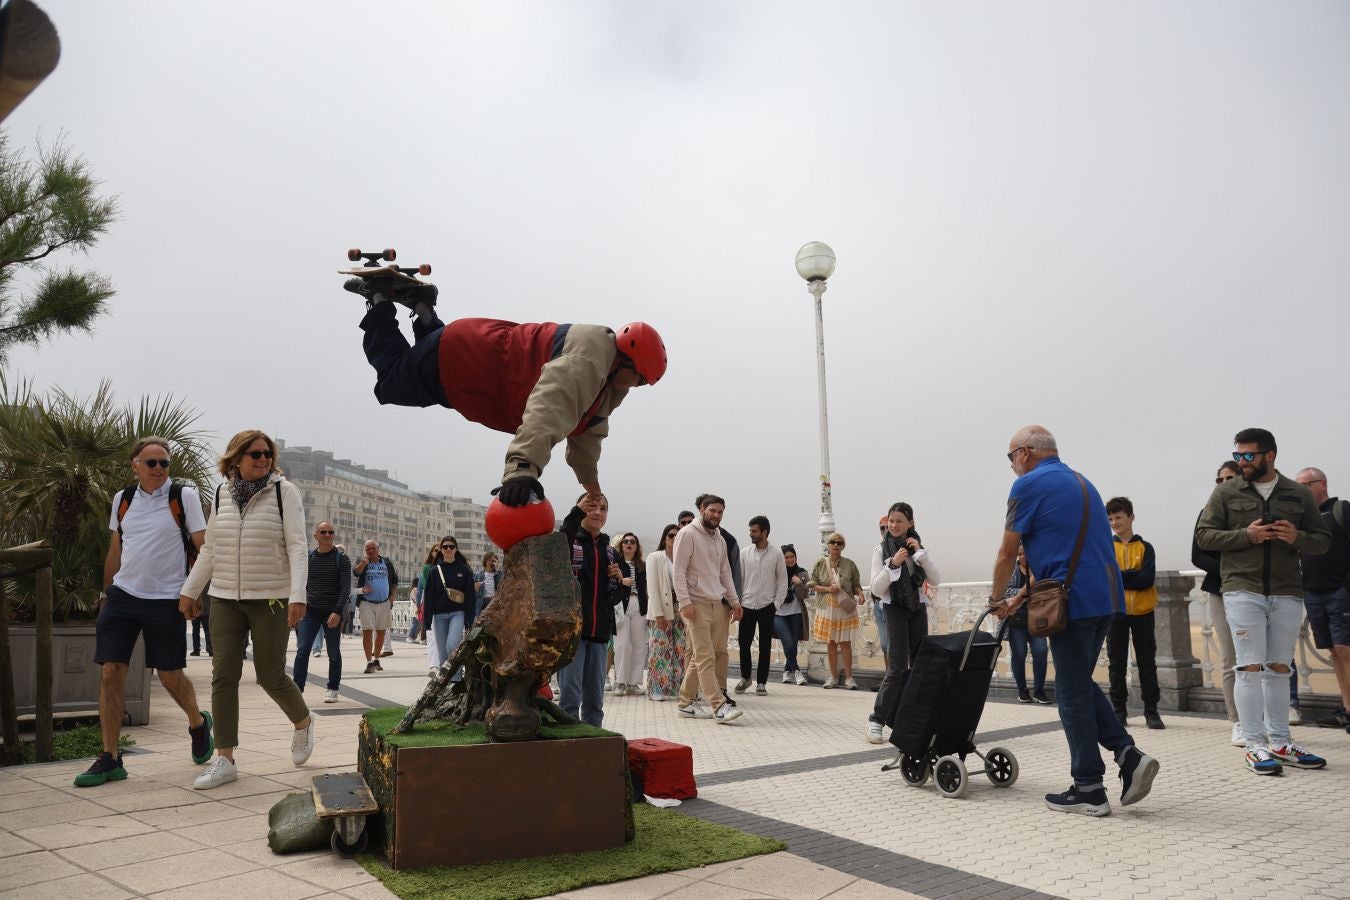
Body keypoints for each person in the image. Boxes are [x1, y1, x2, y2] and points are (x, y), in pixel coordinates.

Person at [349, 278, 665, 507]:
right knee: (392, 382)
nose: (636, 388)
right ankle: (378, 301)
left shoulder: (604, 380)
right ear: (629, 361)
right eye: (639, 381)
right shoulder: (587, 364)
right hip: (466, 365)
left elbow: (588, 436)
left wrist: (591, 487)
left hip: (469, 360)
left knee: (422, 368)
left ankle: (423, 309)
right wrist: (522, 469)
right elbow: (549, 408)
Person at [989, 425, 1158, 816]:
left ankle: (1089, 787)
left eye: (1010, 456)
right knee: (1078, 683)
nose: (1012, 465)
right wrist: (1019, 596)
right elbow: (1064, 548)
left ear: (1025, 453)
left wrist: (996, 599)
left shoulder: (1027, 486)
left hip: (1072, 602)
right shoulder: (1083, 482)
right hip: (1106, 597)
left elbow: (1006, 552)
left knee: (1068, 694)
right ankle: (1127, 755)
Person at [179, 430, 313, 790]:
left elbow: (299, 547)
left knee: (270, 675)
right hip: (224, 596)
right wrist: (190, 591)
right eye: (255, 454)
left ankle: (303, 722)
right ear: (236, 458)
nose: (263, 460)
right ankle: (225, 759)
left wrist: (297, 596)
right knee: (224, 675)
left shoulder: (285, 492)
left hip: (270, 596)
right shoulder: (222, 493)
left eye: (267, 453)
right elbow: (210, 548)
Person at [76, 437, 212, 788]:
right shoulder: (123, 499)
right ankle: (110, 757)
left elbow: (203, 546)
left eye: (164, 463)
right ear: (134, 464)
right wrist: (106, 594)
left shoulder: (183, 497)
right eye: (150, 463)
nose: (158, 469)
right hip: (123, 595)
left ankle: (198, 723)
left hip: (168, 598)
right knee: (110, 672)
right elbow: (115, 550)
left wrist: (192, 592)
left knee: (169, 676)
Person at [1196, 428, 1331, 774]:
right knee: (1249, 666)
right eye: (1238, 455)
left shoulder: (1298, 494)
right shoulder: (1226, 493)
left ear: (1269, 456)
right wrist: (1247, 535)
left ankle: (1281, 742)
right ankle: (1255, 744)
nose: (1241, 461)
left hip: (1286, 590)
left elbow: (1322, 540)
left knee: (1279, 667)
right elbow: (1204, 537)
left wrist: (1295, 536)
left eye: (1248, 456)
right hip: (1242, 589)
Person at [866, 503, 942, 742]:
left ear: (911, 523)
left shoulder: (916, 547)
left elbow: (935, 579)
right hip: (894, 608)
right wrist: (893, 565)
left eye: (899, 521)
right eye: (891, 521)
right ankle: (876, 720)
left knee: (920, 664)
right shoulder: (881, 550)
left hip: (917, 607)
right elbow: (877, 589)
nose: (894, 525)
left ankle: (917, 718)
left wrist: (920, 554)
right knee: (898, 667)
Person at [673, 494, 745, 723]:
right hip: (695, 605)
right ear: (702, 509)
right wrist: (685, 603)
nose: (716, 515)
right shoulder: (687, 534)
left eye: (720, 512)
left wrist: (734, 601)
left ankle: (685, 703)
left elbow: (725, 573)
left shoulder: (720, 540)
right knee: (705, 657)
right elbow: (678, 571)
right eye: (712, 510)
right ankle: (719, 705)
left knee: (700, 656)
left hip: (717, 604)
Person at [558, 494, 621, 726]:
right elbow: (558, 545)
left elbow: (611, 598)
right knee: (570, 699)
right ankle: (567, 748)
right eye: (591, 507)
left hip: (600, 634)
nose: (597, 512)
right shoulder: (570, 542)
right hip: (573, 633)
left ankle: (593, 744)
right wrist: (575, 512)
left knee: (595, 701)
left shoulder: (609, 551)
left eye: (603, 508)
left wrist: (615, 581)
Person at [1294, 467, 1350, 730]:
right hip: (1313, 593)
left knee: (1345, 650)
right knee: (1334, 652)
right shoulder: (1303, 520)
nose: (1302, 489)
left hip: (1341, 591)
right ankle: (1347, 708)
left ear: (1322, 484)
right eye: (1298, 485)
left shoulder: (1342, 511)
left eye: (1307, 484)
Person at [1193, 461, 1243, 745]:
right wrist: (1229, 569)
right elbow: (1197, 555)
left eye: (1230, 478)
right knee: (1230, 660)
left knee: (1262, 660)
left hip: (1256, 592)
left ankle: (1268, 719)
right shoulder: (1207, 513)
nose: (1223, 483)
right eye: (1219, 479)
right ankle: (1236, 720)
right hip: (1221, 591)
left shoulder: (1255, 511)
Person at [1105, 497, 1164, 730]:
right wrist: (1130, 576)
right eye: (1110, 519)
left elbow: (1146, 579)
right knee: (1116, 663)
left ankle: (1152, 711)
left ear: (1131, 517)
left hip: (1143, 611)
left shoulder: (1146, 547)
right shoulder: (1107, 547)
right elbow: (1108, 580)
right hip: (1116, 612)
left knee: (1147, 662)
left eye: (1118, 517)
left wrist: (1122, 576)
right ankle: (1119, 712)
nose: (1114, 522)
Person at [292, 521, 351, 703]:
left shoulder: (342, 559)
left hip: (331, 612)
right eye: (323, 532)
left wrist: (337, 611)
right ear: (315, 535)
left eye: (331, 532)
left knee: (333, 652)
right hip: (310, 611)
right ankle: (297, 689)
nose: (327, 535)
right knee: (302, 650)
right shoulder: (309, 558)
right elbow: (302, 584)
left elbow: (345, 588)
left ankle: (333, 688)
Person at [736, 516, 787, 696]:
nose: (751, 534)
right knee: (743, 643)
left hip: (767, 606)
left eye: (754, 531)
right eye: (750, 531)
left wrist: (776, 605)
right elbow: (739, 580)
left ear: (764, 532)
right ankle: (745, 678)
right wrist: (738, 602)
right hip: (747, 605)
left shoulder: (776, 554)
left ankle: (762, 683)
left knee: (765, 646)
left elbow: (782, 581)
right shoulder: (744, 553)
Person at [810, 533, 864, 690]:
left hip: (844, 607)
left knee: (846, 643)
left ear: (843, 546)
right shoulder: (820, 564)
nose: (835, 545)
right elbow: (812, 584)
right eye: (832, 542)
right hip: (827, 608)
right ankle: (832, 677)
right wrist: (828, 589)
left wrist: (860, 594)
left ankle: (849, 678)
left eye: (839, 543)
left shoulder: (849, 564)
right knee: (831, 643)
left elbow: (856, 584)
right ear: (828, 545)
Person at [1002, 544, 1050, 705]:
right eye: (1020, 554)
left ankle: (1039, 691)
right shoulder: (1011, 571)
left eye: (1025, 553)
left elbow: (1048, 590)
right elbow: (1006, 592)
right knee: (1019, 654)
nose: (1022, 557)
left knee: (1041, 652)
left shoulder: (1041, 571)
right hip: (1017, 621)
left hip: (1038, 619)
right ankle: (1022, 690)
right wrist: (1026, 589)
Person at [645, 525, 686, 701]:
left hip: (681, 607)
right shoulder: (655, 557)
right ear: (664, 538)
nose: (674, 539)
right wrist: (658, 614)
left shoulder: (683, 559)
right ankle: (657, 689)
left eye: (678, 536)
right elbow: (652, 587)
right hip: (661, 608)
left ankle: (677, 688)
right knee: (660, 649)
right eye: (671, 535)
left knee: (680, 650)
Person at [422, 536, 475, 669]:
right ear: (441, 549)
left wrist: (469, 619)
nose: (448, 549)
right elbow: (429, 596)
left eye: (451, 546)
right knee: (442, 652)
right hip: (439, 615)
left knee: (452, 645)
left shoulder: (464, 570)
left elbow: (470, 595)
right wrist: (427, 620)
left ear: (456, 549)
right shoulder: (434, 570)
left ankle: (455, 679)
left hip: (457, 613)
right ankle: (446, 683)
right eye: (445, 547)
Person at [353, 540, 399, 674]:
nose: (371, 551)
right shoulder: (362, 562)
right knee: (367, 632)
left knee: (381, 632)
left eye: (373, 548)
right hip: (366, 602)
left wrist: (392, 597)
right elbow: (355, 572)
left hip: (384, 602)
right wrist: (363, 563)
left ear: (378, 549)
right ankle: (369, 662)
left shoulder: (387, 563)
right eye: (368, 549)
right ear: (365, 551)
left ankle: (376, 659)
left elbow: (394, 581)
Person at [612, 532, 648, 696]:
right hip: (621, 605)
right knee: (622, 645)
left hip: (639, 606)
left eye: (632, 541)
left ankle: (633, 683)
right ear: (621, 545)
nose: (628, 544)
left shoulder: (642, 565)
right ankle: (620, 681)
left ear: (636, 546)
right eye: (625, 541)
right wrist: (621, 581)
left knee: (639, 646)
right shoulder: (615, 563)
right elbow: (609, 582)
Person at [775, 545, 810, 685]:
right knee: (787, 641)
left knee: (793, 644)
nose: (790, 560)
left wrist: (800, 583)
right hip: (778, 613)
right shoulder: (776, 573)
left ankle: (786, 671)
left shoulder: (802, 573)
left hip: (796, 613)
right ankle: (796, 671)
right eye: (786, 557)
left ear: (795, 557)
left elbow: (805, 594)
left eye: (792, 557)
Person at [475, 551, 502, 623]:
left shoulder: (498, 574)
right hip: (482, 602)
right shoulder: (478, 575)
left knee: (494, 624)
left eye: (494, 561)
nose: (491, 562)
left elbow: (501, 587)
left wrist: (497, 570)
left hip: (494, 602)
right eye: (489, 560)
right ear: (485, 561)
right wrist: (476, 589)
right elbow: (474, 594)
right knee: (480, 625)